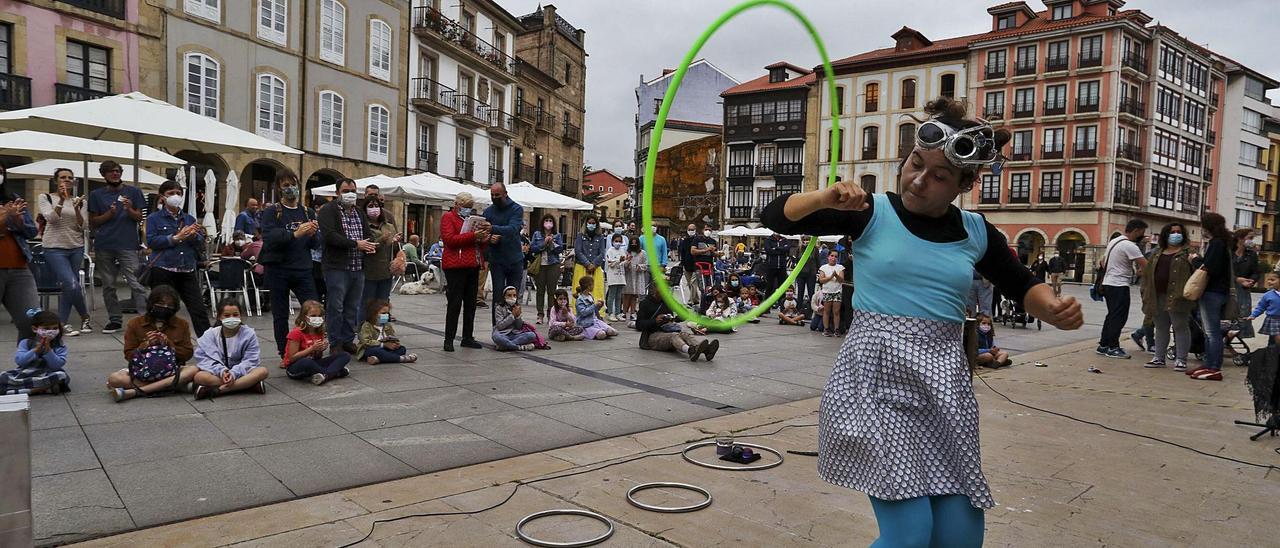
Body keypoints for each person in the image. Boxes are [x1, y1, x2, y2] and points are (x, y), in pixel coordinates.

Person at [762, 97, 1082, 547]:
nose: (919, 180)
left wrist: (1050, 307)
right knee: (910, 536)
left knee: (960, 538)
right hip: (874, 385)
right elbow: (775, 217)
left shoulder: (975, 230)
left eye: (939, 176)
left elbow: (1019, 281)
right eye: (916, 163)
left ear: (963, 184)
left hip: (943, 388)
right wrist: (825, 197)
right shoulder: (872, 212)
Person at [258, 170, 320, 356]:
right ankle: (285, 351)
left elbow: (315, 244)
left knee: (314, 310)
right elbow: (269, 237)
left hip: (303, 268)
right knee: (280, 314)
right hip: (279, 269)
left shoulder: (307, 212)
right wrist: (294, 234)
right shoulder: (271, 211)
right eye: (286, 185)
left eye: (293, 185)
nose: (290, 189)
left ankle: (314, 346)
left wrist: (313, 234)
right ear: (278, 188)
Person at [87, 160, 148, 334]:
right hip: (104, 244)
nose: (115, 174)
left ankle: (145, 318)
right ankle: (114, 319)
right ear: (104, 175)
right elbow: (94, 221)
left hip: (128, 244)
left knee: (136, 283)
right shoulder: (96, 195)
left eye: (117, 171)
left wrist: (129, 209)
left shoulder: (133, 192)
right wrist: (110, 214)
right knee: (108, 285)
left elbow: (140, 218)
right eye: (110, 171)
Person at [109, 285, 198, 402]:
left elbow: (187, 353)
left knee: (194, 370)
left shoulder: (182, 324)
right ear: (152, 304)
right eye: (161, 304)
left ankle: (135, 391)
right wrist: (145, 345)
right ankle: (174, 386)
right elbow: (128, 355)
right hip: (143, 370)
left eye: (170, 306)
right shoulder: (135, 323)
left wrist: (169, 344)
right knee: (114, 379)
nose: (165, 308)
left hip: (172, 370)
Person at [144, 180, 211, 335]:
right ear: (162, 197)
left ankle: (209, 344)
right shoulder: (154, 218)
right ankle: (159, 342)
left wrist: (194, 236)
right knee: (162, 308)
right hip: (163, 268)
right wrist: (176, 237)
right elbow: (152, 241)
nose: (175, 196)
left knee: (198, 309)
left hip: (186, 268)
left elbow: (199, 242)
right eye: (171, 193)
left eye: (178, 193)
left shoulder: (189, 219)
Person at [318, 178, 375, 349]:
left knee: (352, 307)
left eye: (352, 191)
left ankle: (348, 340)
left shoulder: (359, 212)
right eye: (345, 191)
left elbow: (368, 233)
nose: (350, 194)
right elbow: (330, 236)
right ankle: (335, 343)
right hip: (337, 267)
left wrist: (371, 244)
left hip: (358, 267)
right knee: (336, 307)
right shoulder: (328, 210)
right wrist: (356, 243)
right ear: (337, 193)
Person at [37, 168, 92, 336]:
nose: (67, 180)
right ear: (55, 181)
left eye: (70, 178)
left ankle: (63, 323)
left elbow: (83, 227)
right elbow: (52, 219)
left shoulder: (79, 200)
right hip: (54, 247)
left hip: (75, 246)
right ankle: (83, 316)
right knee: (72, 284)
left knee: (69, 286)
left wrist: (76, 208)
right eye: (63, 177)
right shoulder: (45, 197)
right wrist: (61, 200)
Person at [1138, 223, 1194, 371]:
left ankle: (1181, 359)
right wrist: (1145, 292)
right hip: (1157, 296)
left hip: (1178, 297)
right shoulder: (1157, 253)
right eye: (1172, 232)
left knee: (1180, 326)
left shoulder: (1188, 253)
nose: (1176, 234)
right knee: (1161, 327)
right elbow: (1147, 274)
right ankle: (1158, 357)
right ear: (1165, 235)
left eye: (1178, 232)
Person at [441, 192, 489, 352]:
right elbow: (450, 240)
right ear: (457, 205)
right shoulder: (448, 217)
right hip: (456, 266)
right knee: (454, 303)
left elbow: (477, 245)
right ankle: (449, 339)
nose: (468, 210)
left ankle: (467, 337)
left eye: (470, 207)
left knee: (471, 303)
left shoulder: (472, 220)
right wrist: (472, 235)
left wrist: (483, 238)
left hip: (472, 264)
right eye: (466, 207)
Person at [191, 299, 267, 399]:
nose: (232, 318)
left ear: (241, 316)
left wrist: (234, 373)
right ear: (219, 317)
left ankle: (219, 390)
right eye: (226, 315)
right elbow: (204, 359)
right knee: (199, 376)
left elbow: (251, 360)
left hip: (242, 372)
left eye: (235, 315)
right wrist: (222, 371)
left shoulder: (249, 334)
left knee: (262, 371)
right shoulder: (210, 335)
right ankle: (246, 385)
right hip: (218, 374)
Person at [1189, 213, 1235, 381]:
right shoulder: (1223, 243)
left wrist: (1195, 260)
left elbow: (1210, 268)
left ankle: (1214, 367)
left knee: (1212, 332)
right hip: (1218, 291)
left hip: (1212, 292)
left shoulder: (1216, 243)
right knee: (1209, 331)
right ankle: (1208, 363)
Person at [1096, 219, 1149, 359]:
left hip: (1108, 283)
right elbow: (1147, 266)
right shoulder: (1129, 245)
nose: (1142, 236)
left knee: (1112, 315)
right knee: (1119, 317)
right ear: (1136, 231)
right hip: (1119, 285)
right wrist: (1140, 273)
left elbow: (1102, 261)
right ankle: (1113, 347)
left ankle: (1103, 344)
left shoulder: (1114, 241)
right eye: (1142, 233)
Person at [636, 281, 719, 362]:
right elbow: (639, 324)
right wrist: (655, 321)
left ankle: (704, 349)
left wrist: (674, 319)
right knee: (674, 336)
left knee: (685, 335)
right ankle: (691, 351)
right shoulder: (645, 303)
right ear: (654, 290)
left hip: (667, 330)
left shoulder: (666, 301)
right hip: (652, 336)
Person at [482, 182, 525, 322]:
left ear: (505, 194)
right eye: (492, 195)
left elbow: (513, 229)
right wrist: (489, 238)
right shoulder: (488, 211)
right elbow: (482, 233)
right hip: (497, 260)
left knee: (513, 296)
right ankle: (497, 328)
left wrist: (492, 228)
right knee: (498, 297)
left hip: (514, 259)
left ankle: (514, 328)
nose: (494, 198)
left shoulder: (516, 209)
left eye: (497, 195)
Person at [283, 300, 351, 385]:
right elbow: (292, 357)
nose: (317, 318)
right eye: (313, 316)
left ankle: (326, 375)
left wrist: (320, 349)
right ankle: (333, 372)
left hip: (314, 363)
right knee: (307, 362)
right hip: (296, 366)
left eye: (319, 316)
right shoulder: (296, 333)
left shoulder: (319, 332)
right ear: (304, 317)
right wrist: (311, 348)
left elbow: (317, 357)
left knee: (345, 355)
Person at [2, 311, 69, 395]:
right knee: (3, 376)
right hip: (26, 373)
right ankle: (43, 389)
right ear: (35, 329)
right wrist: (36, 350)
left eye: (55, 328)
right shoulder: (26, 342)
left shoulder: (59, 345)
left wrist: (48, 350)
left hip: (47, 373)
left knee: (61, 375)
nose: (51, 331)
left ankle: (25, 390)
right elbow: (20, 361)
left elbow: (56, 365)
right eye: (47, 328)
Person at [361, 197, 399, 315]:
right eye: (371, 206)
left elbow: (394, 248)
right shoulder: (363, 226)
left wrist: (396, 241)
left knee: (383, 303)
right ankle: (365, 327)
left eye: (376, 206)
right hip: (369, 271)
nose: (374, 209)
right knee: (368, 302)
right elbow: (367, 246)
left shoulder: (389, 226)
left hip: (386, 270)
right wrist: (382, 239)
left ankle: (382, 328)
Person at [1225, 228, 1260, 352]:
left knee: (1243, 319)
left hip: (1244, 290)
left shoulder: (1251, 254)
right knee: (1227, 319)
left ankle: (1226, 341)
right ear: (1240, 238)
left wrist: (1252, 281)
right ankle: (1224, 343)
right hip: (1228, 289)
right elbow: (1224, 271)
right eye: (1249, 238)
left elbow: (1256, 271)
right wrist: (1237, 279)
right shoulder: (1228, 252)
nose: (1251, 241)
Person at [530, 214, 566, 325]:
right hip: (540, 265)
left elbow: (560, 249)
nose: (548, 222)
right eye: (546, 220)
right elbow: (533, 248)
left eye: (550, 220)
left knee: (552, 291)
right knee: (540, 290)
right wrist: (543, 243)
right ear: (542, 222)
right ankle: (540, 314)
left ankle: (551, 314)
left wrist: (552, 244)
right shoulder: (537, 234)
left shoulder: (557, 235)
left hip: (553, 265)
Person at [356, 299, 417, 364]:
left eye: (387, 313)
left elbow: (393, 336)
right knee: (376, 351)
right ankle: (401, 358)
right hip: (371, 348)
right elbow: (366, 342)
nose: (386, 315)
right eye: (383, 313)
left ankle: (378, 359)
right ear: (373, 314)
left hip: (386, 349)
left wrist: (396, 344)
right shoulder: (367, 325)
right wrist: (383, 345)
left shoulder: (387, 325)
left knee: (402, 349)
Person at [678, 223, 716, 307]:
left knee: (699, 284)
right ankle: (696, 299)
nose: (708, 231)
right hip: (691, 264)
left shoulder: (709, 241)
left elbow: (713, 253)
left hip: (703, 265)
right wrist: (682, 262)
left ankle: (693, 300)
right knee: (691, 283)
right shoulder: (688, 240)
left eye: (709, 230)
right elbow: (686, 251)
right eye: (689, 229)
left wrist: (717, 253)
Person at [492, 286, 540, 351]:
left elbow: (519, 326)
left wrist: (518, 316)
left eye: (514, 295)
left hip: (515, 334)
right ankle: (519, 347)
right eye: (509, 295)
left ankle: (505, 346)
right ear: (504, 297)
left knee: (532, 335)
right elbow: (500, 326)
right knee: (496, 337)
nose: (512, 298)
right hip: (503, 334)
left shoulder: (517, 307)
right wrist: (512, 316)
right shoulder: (499, 308)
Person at [574, 214, 607, 303]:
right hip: (581, 267)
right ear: (586, 223)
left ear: (596, 224)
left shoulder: (600, 237)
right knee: (580, 289)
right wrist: (587, 264)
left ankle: (598, 312)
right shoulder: (580, 236)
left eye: (593, 223)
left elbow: (602, 253)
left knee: (597, 290)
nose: (591, 225)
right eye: (590, 223)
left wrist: (594, 264)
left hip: (596, 268)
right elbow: (578, 251)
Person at [575, 276, 617, 340]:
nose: (593, 286)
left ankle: (601, 330)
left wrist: (599, 306)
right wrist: (594, 305)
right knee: (601, 335)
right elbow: (583, 313)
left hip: (594, 321)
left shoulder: (590, 296)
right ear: (588, 286)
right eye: (592, 284)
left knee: (612, 332)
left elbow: (594, 310)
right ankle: (586, 332)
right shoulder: (580, 299)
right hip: (585, 324)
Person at [1247, 272, 1280, 348]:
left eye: (1272, 280)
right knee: (1275, 339)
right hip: (1274, 320)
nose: (1269, 282)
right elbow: (1261, 307)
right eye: (1268, 279)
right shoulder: (1267, 295)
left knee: (1275, 340)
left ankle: (1272, 354)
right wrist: (1253, 315)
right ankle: (1271, 356)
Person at [817, 251, 845, 337]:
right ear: (828, 257)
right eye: (832, 256)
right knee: (826, 311)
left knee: (836, 311)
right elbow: (821, 280)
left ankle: (836, 329)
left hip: (837, 292)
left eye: (835, 256)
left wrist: (836, 275)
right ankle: (826, 329)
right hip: (827, 292)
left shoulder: (840, 267)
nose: (833, 258)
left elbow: (841, 280)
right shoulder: (823, 267)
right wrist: (831, 277)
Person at [762, 233, 793, 305]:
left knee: (782, 287)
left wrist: (776, 248)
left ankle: (782, 305)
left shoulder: (784, 240)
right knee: (769, 287)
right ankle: (767, 306)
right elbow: (769, 250)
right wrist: (781, 250)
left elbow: (787, 249)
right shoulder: (768, 240)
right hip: (771, 266)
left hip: (782, 267)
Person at [623, 238, 648, 326]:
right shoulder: (626, 252)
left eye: (635, 243)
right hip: (628, 275)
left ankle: (633, 312)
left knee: (634, 295)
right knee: (626, 294)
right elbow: (622, 264)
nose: (634, 245)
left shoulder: (643, 253)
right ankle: (624, 312)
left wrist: (640, 267)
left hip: (638, 275)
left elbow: (646, 265)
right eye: (632, 243)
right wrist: (627, 263)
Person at [605, 233, 627, 321]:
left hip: (620, 275)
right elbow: (610, 264)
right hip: (612, 275)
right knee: (612, 295)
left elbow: (623, 263)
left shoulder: (622, 250)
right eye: (616, 241)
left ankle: (618, 313)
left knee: (619, 296)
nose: (618, 243)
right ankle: (610, 313)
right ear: (612, 241)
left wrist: (626, 260)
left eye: (619, 241)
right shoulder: (610, 251)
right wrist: (619, 260)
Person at [794, 237, 819, 305]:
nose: (806, 241)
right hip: (801, 274)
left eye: (807, 240)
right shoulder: (798, 249)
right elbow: (796, 261)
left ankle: (811, 310)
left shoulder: (815, 249)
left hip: (811, 273)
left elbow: (817, 261)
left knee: (811, 293)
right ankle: (799, 309)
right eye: (804, 240)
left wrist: (817, 272)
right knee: (800, 293)